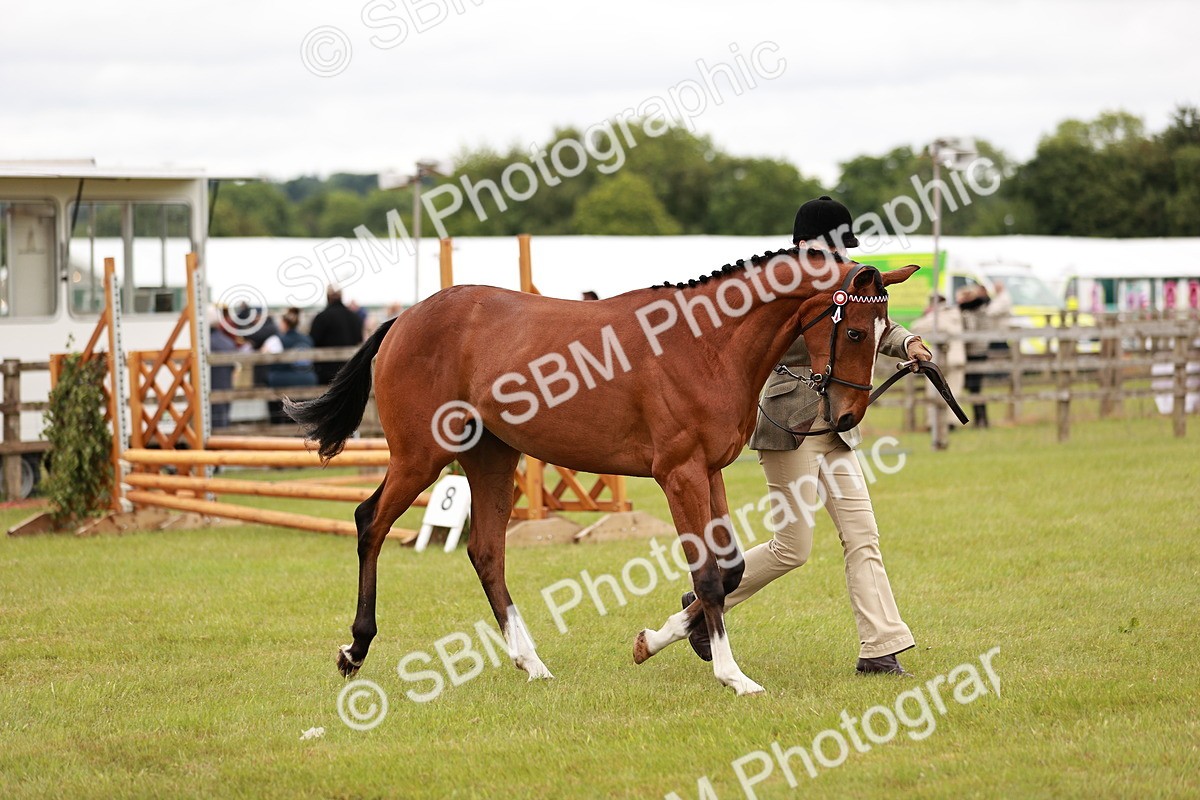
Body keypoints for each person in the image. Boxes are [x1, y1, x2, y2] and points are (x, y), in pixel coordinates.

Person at [682, 196, 932, 676]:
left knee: (864, 537)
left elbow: (873, 321)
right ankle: (702, 603)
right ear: (803, 245)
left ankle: (880, 648)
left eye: (845, 250)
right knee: (792, 548)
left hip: (837, 428)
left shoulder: (846, 279)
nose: (841, 259)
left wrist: (910, 343)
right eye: (833, 249)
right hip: (788, 425)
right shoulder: (775, 289)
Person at [910, 294, 966, 437]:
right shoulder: (956, 314)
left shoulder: (935, 316)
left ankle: (933, 422)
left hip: (939, 360)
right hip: (958, 357)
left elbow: (915, 327)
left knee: (934, 390)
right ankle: (952, 421)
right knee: (954, 390)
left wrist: (926, 314)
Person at [957, 283, 1011, 427]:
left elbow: (971, 331)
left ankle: (981, 419)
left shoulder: (974, 311)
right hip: (979, 350)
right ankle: (980, 419)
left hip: (974, 351)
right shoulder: (980, 308)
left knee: (975, 387)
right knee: (974, 387)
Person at [309, 285, 364, 385]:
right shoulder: (355, 317)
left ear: (327, 297)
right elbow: (359, 341)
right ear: (341, 296)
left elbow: (313, 342)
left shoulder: (321, 317)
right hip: (350, 371)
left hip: (327, 374)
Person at [263, 307, 318, 394]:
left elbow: (263, 356)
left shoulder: (276, 340)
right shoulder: (308, 339)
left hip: (282, 381)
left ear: (284, 323)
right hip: (308, 380)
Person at [208, 305, 236, 430]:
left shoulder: (206, 343)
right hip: (225, 388)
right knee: (222, 421)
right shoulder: (227, 343)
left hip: (210, 390)